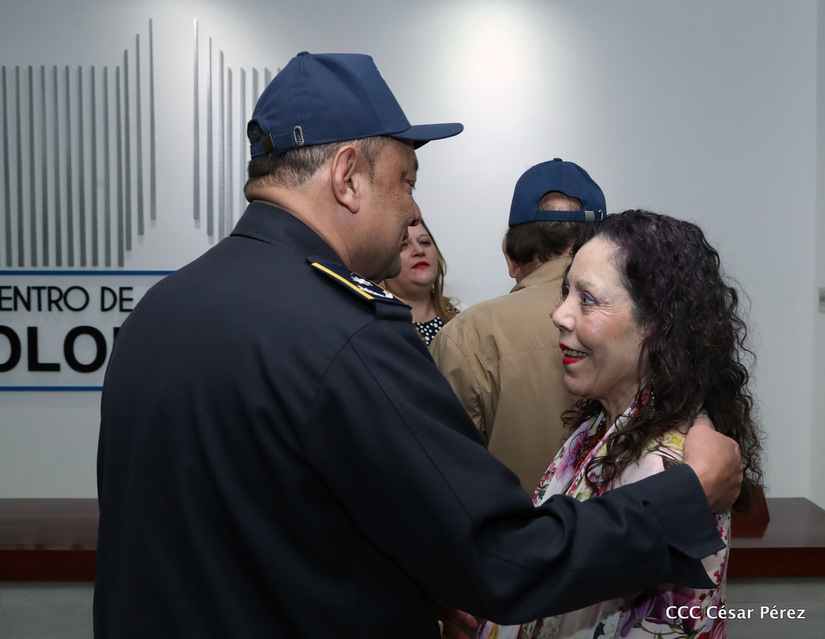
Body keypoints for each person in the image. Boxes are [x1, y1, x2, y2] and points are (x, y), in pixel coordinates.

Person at [94, 52, 743, 639]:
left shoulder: (162, 309)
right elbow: (504, 559)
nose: (413, 210)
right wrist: (681, 498)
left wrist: (409, 583)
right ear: (347, 176)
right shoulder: (344, 332)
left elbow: (258, 532)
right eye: (405, 180)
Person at [475, 210, 764, 639]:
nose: (559, 315)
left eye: (588, 299)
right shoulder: (601, 426)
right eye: (566, 293)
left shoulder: (665, 466)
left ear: (658, 325)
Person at [430, 159, 606, 493]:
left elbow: (441, 473)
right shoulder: (643, 322)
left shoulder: (467, 336)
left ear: (510, 255)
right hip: (622, 521)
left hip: (509, 525)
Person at [382, 217, 460, 344]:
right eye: (403, 245)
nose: (419, 250)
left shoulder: (462, 314)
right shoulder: (377, 328)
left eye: (424, 242)